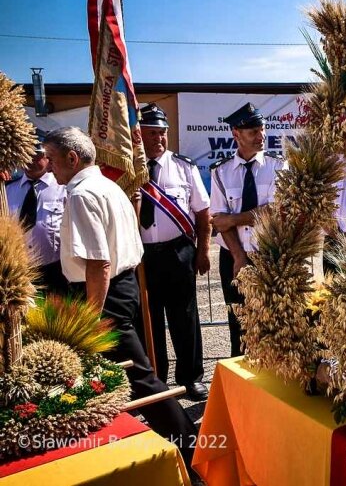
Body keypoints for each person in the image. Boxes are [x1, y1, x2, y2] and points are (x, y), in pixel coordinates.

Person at [42, 126, 199, 470]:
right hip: (119, 287)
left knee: (140, 379)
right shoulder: (107, 187)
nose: (48, 166)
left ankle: (192, 452)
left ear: (72, 158)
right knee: (121, 378)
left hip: (103, 292)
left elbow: (99, 262)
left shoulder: (84, 194)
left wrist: (88, 320)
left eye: (51, 159)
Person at [138, 104, 210, 401]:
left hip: (179, 253)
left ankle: (190, 378)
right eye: (151, 133)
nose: (158, 139)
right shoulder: (128, 169)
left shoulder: (184, 166)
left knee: (185, 318)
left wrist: (203, 251)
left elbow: (203, 214)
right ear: (138, 135)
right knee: (148, 321)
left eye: (162, 133)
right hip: (143, 257)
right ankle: (157, 381)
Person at [210, 103, 285, 357]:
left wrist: (233, 219)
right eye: (253, 131)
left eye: (262, 129)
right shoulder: (220, 172)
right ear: (236, 134)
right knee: (238, 323)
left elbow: (275, 212)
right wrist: (239, 256)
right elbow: (219, 221)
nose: (261, 136)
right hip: (233, 255)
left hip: (269, 255)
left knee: (273, 322)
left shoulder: (278, 167)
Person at [6, 133, 69, 295]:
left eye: (36, 155)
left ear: (48, 157)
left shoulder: (63, 188)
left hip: (56, 269)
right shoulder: (7, 190)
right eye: (26, 155)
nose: (30, 160)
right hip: (19, 271)